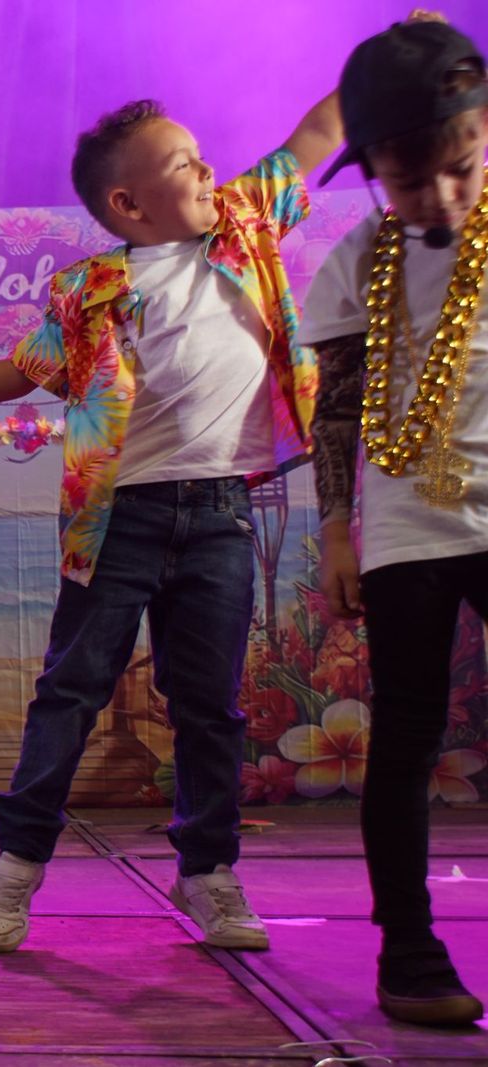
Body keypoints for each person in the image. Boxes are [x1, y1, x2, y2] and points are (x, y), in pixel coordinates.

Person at [0, 82, 344, 952]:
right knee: (71, 691)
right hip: (121, 518)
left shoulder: (244, 227)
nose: (208, 170)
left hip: (223, 511)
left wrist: (403, 53)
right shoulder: (89, 288)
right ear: (128, 202)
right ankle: (16, 866)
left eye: (203, 157)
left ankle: (209, 872)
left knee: (209, 703)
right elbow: (25, 367)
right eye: (185, 163)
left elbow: (320, 130)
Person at [298, 15, 487, 1028]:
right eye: (410, 184)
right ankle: (408, 955)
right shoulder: (360, 258)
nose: (438, 199)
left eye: (457, 169)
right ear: (370, 170)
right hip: (410, 527)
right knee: (406, 735)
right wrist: (336, 529)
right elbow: (336, 405)